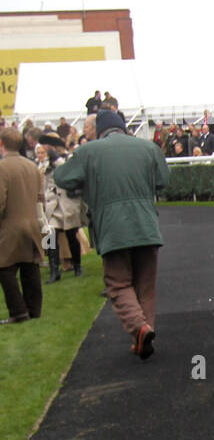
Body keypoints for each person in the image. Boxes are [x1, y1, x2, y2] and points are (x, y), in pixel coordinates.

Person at [53, 106, 169, 356]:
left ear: (100, 130)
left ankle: (139, 328)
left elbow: (62, 178)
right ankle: (145, 333)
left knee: (117, 283)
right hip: (147, 226)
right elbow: (162, 180)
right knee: (145, 285)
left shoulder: (88, 151)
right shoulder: (148, 148)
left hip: (113, 229)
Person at [0, 127, 44, 324]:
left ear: (1, 144)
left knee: (4, 268)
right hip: (32, 223)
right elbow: (40, 197)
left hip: (9, 226)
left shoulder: (2, 168)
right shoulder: (32, 166)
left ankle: (18, 311)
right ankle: (34, 309)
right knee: (30, 266)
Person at [39, 130, 86, 280]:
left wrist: (57, 160)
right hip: (53, 202)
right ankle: (54, 270)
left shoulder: (69, 158)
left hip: (67, 201)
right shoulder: (46, 162)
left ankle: (77, 266)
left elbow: (68, 174)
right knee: (51, 235)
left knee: (72, 235)